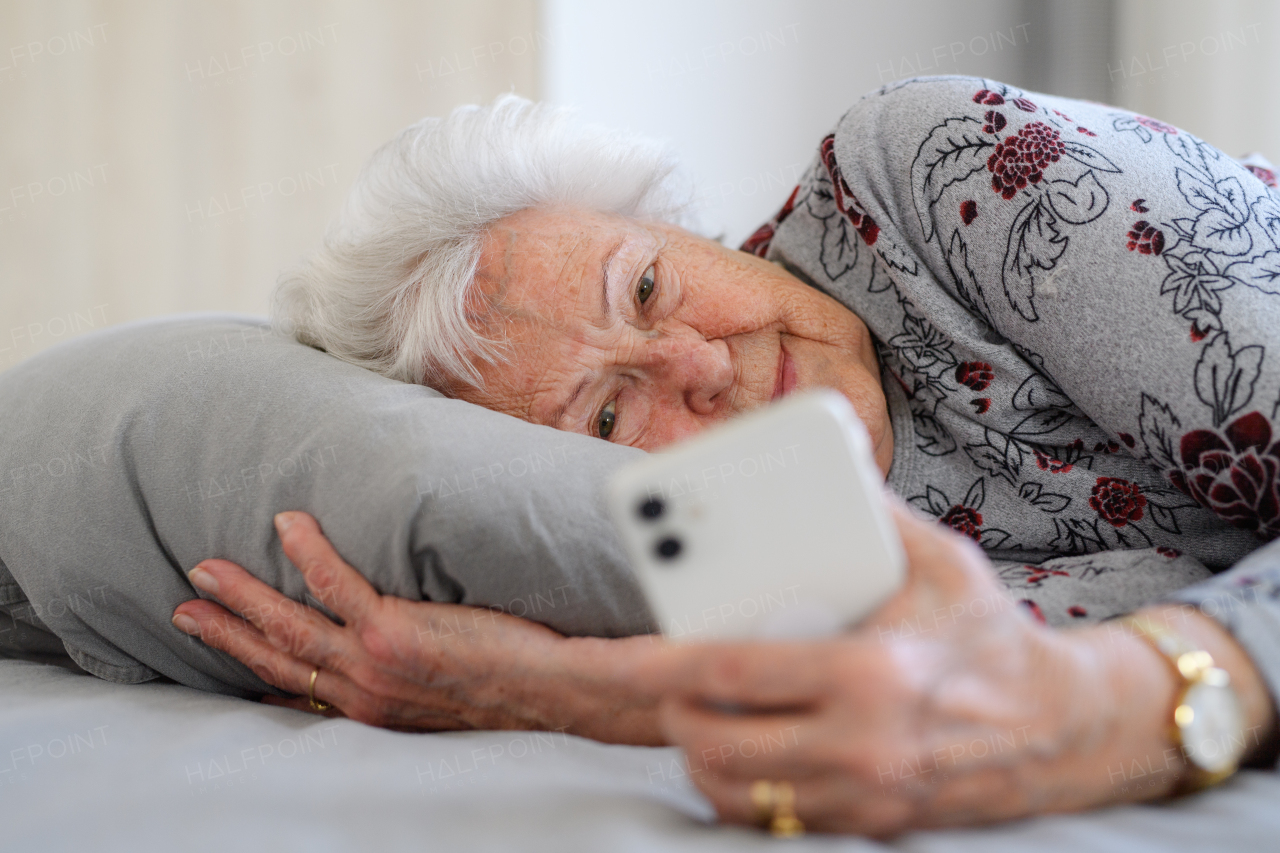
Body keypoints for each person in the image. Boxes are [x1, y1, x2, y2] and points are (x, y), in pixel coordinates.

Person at [171, 76, 1280, 835]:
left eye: (646, 285)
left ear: (687, 225)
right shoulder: (713, 544)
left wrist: (1140, 703)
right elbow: (941, 694)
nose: (695, 365)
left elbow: (1068, 698)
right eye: (607, 415)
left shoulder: (934, 179)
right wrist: (544, 684)